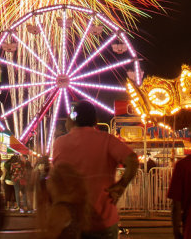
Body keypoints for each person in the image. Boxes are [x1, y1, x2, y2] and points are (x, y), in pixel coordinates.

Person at [52, 101, 139, 239]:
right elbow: (132, 160)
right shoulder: (107, 140)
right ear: (96, 121)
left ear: (72, 119)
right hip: (103, 220)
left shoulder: (59, 144)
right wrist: (121, 185)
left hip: (71, 220)